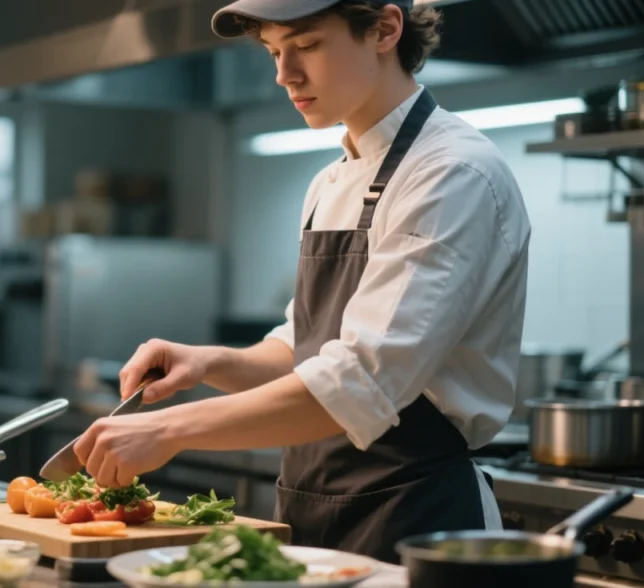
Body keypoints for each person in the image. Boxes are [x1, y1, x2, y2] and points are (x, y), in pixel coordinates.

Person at [71, 0, 531, 563]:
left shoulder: (450, 175)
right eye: (273, 51)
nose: (283, 74)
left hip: (417, 518)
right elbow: (305, 347)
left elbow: (360, 378)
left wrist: (172, 428)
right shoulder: (331, 181)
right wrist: (209, 363)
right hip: (312, 510)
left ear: (385, 29)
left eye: (307, 45)